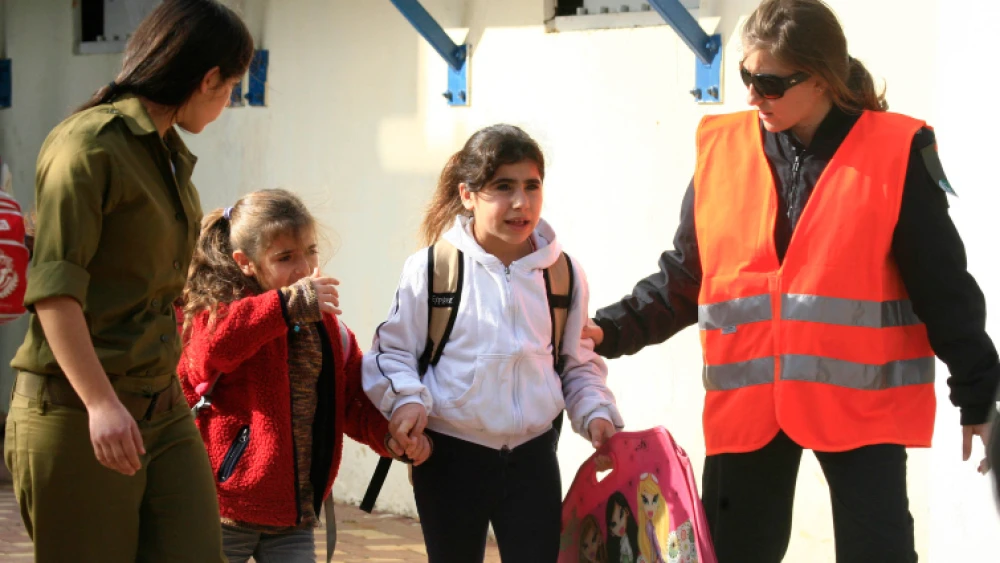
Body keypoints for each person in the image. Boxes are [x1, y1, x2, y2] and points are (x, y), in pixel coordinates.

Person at [583, 1, 998, 561]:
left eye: (772, 83)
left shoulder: (895, 151)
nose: (754, 95)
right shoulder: (721, 149)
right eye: (747, 77)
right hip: (746, 406)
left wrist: (976, 391)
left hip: (859, 409)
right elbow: (685, 277)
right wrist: (604, 330)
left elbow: (943, 284)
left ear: (822, 78)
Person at [2, 1, 253, 561]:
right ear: (207, 78)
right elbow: (53, 290)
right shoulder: (88, 145)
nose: (229, 101)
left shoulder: (163, 151)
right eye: (231, 86)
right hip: (79, 413)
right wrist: (100, 404)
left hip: (162, 411)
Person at [363, 124, 624, 562]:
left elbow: (575, 364)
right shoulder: (432, 269)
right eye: (503, 187)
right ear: (467, 195)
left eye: (531, 186)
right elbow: (392, 354)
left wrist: (596, 413)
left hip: (534, 460)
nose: (521, 203)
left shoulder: (563, 274)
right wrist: (407, 403)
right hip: (449, 460)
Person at [178, 189, 414, 562]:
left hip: (294, 518)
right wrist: (286, 307)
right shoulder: (220, 312)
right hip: (222, 511)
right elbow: (207, 355)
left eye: (311, 251)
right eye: (285, 257)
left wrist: (387, 435)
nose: (303, 268)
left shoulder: (326, 327)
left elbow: (350, 397)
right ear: (246, 262)